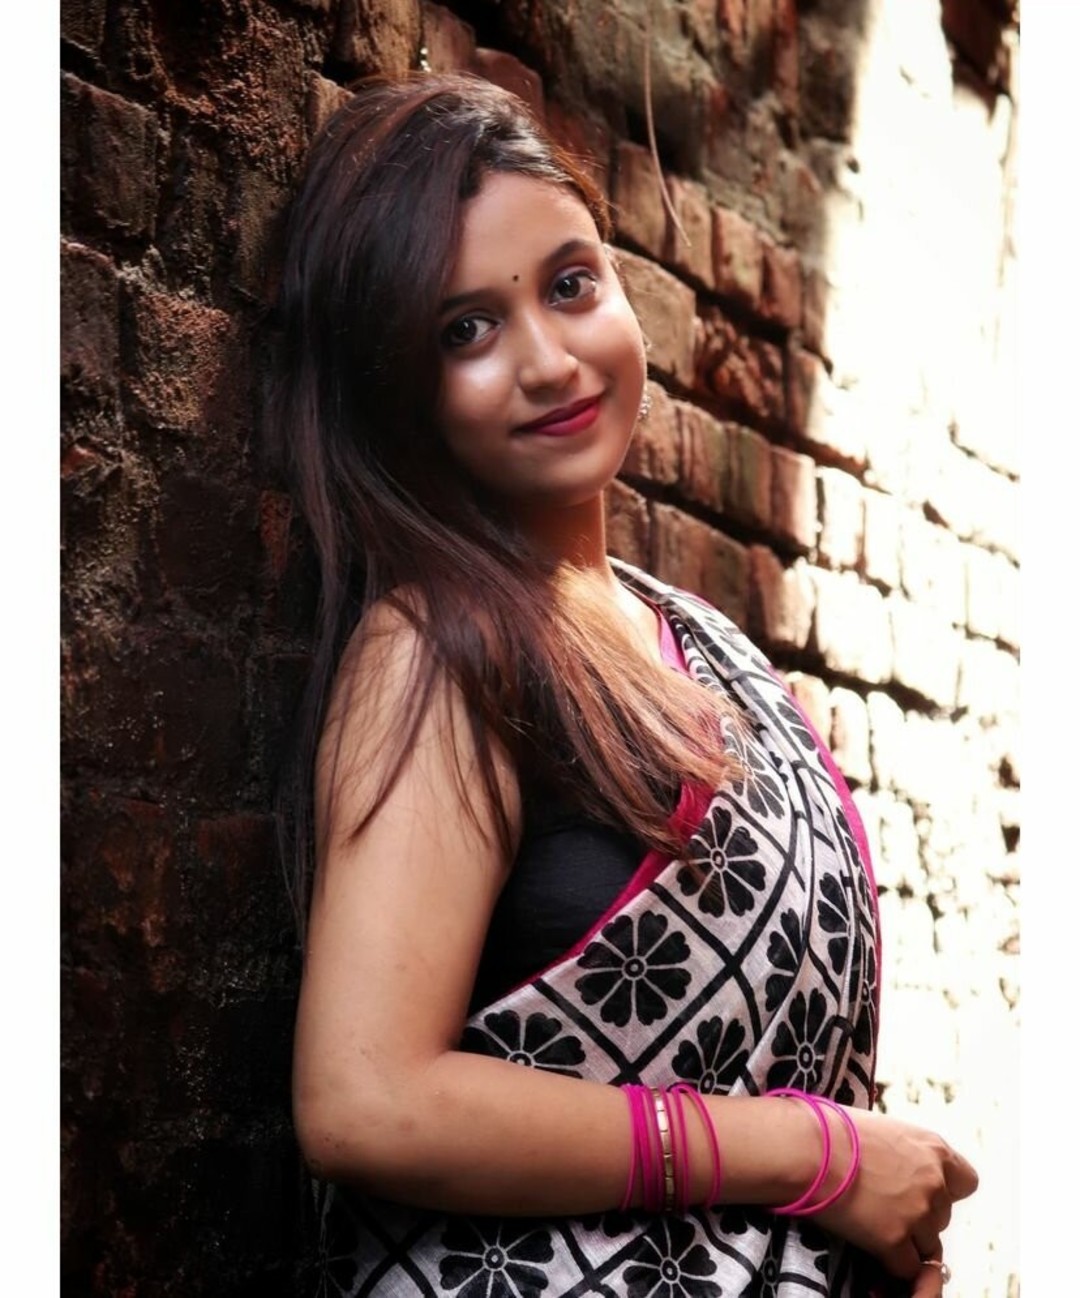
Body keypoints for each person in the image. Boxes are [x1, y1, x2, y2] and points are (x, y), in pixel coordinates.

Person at [265, 71, 977, 1298]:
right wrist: (815, 1156)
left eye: (570, 284)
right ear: (395, 385)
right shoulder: (438, 645)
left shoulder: (697, 642)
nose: (549, 361)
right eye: (465, 330)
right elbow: (365, 1097)